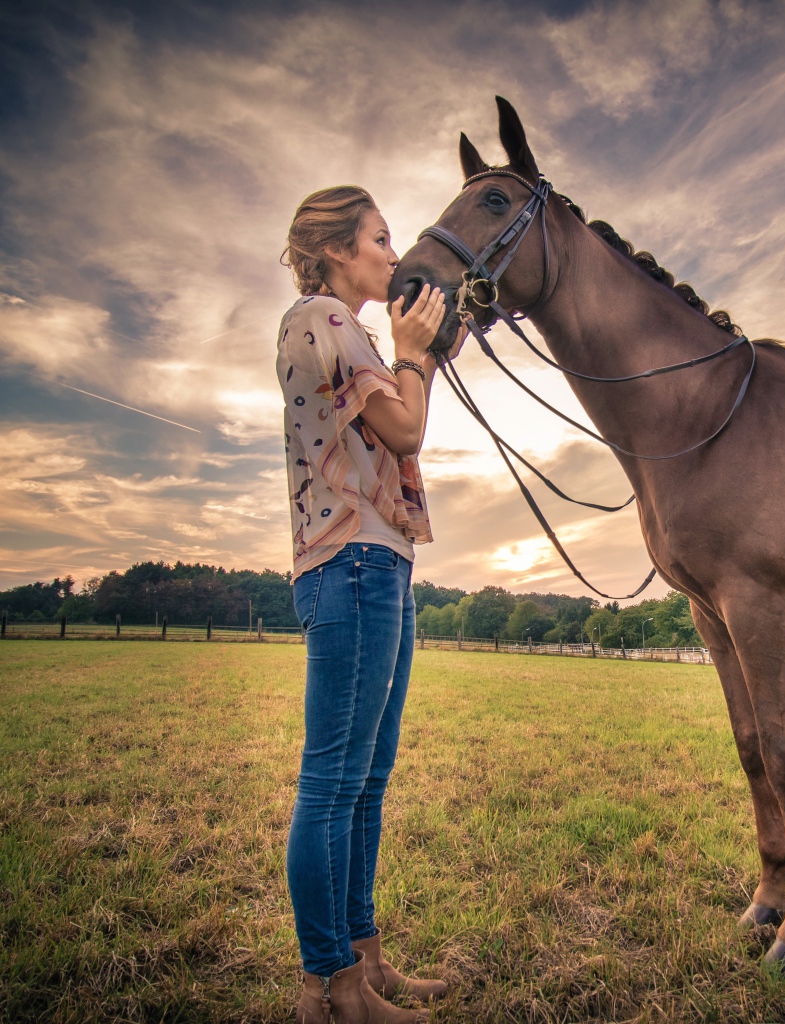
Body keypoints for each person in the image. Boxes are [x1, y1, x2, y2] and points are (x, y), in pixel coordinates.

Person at [277, 185, 464, 1023]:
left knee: (366, 780)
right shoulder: (324, 316)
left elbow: (394, 423)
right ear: (339, 250)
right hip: (351, 564)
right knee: (333, 782)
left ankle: (364, 959)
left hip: (378, 563)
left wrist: (410, 352)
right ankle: (330, 989)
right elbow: (407, 429)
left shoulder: (341, 328)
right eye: (381, 239)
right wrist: (413, 350)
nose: (395, 255)